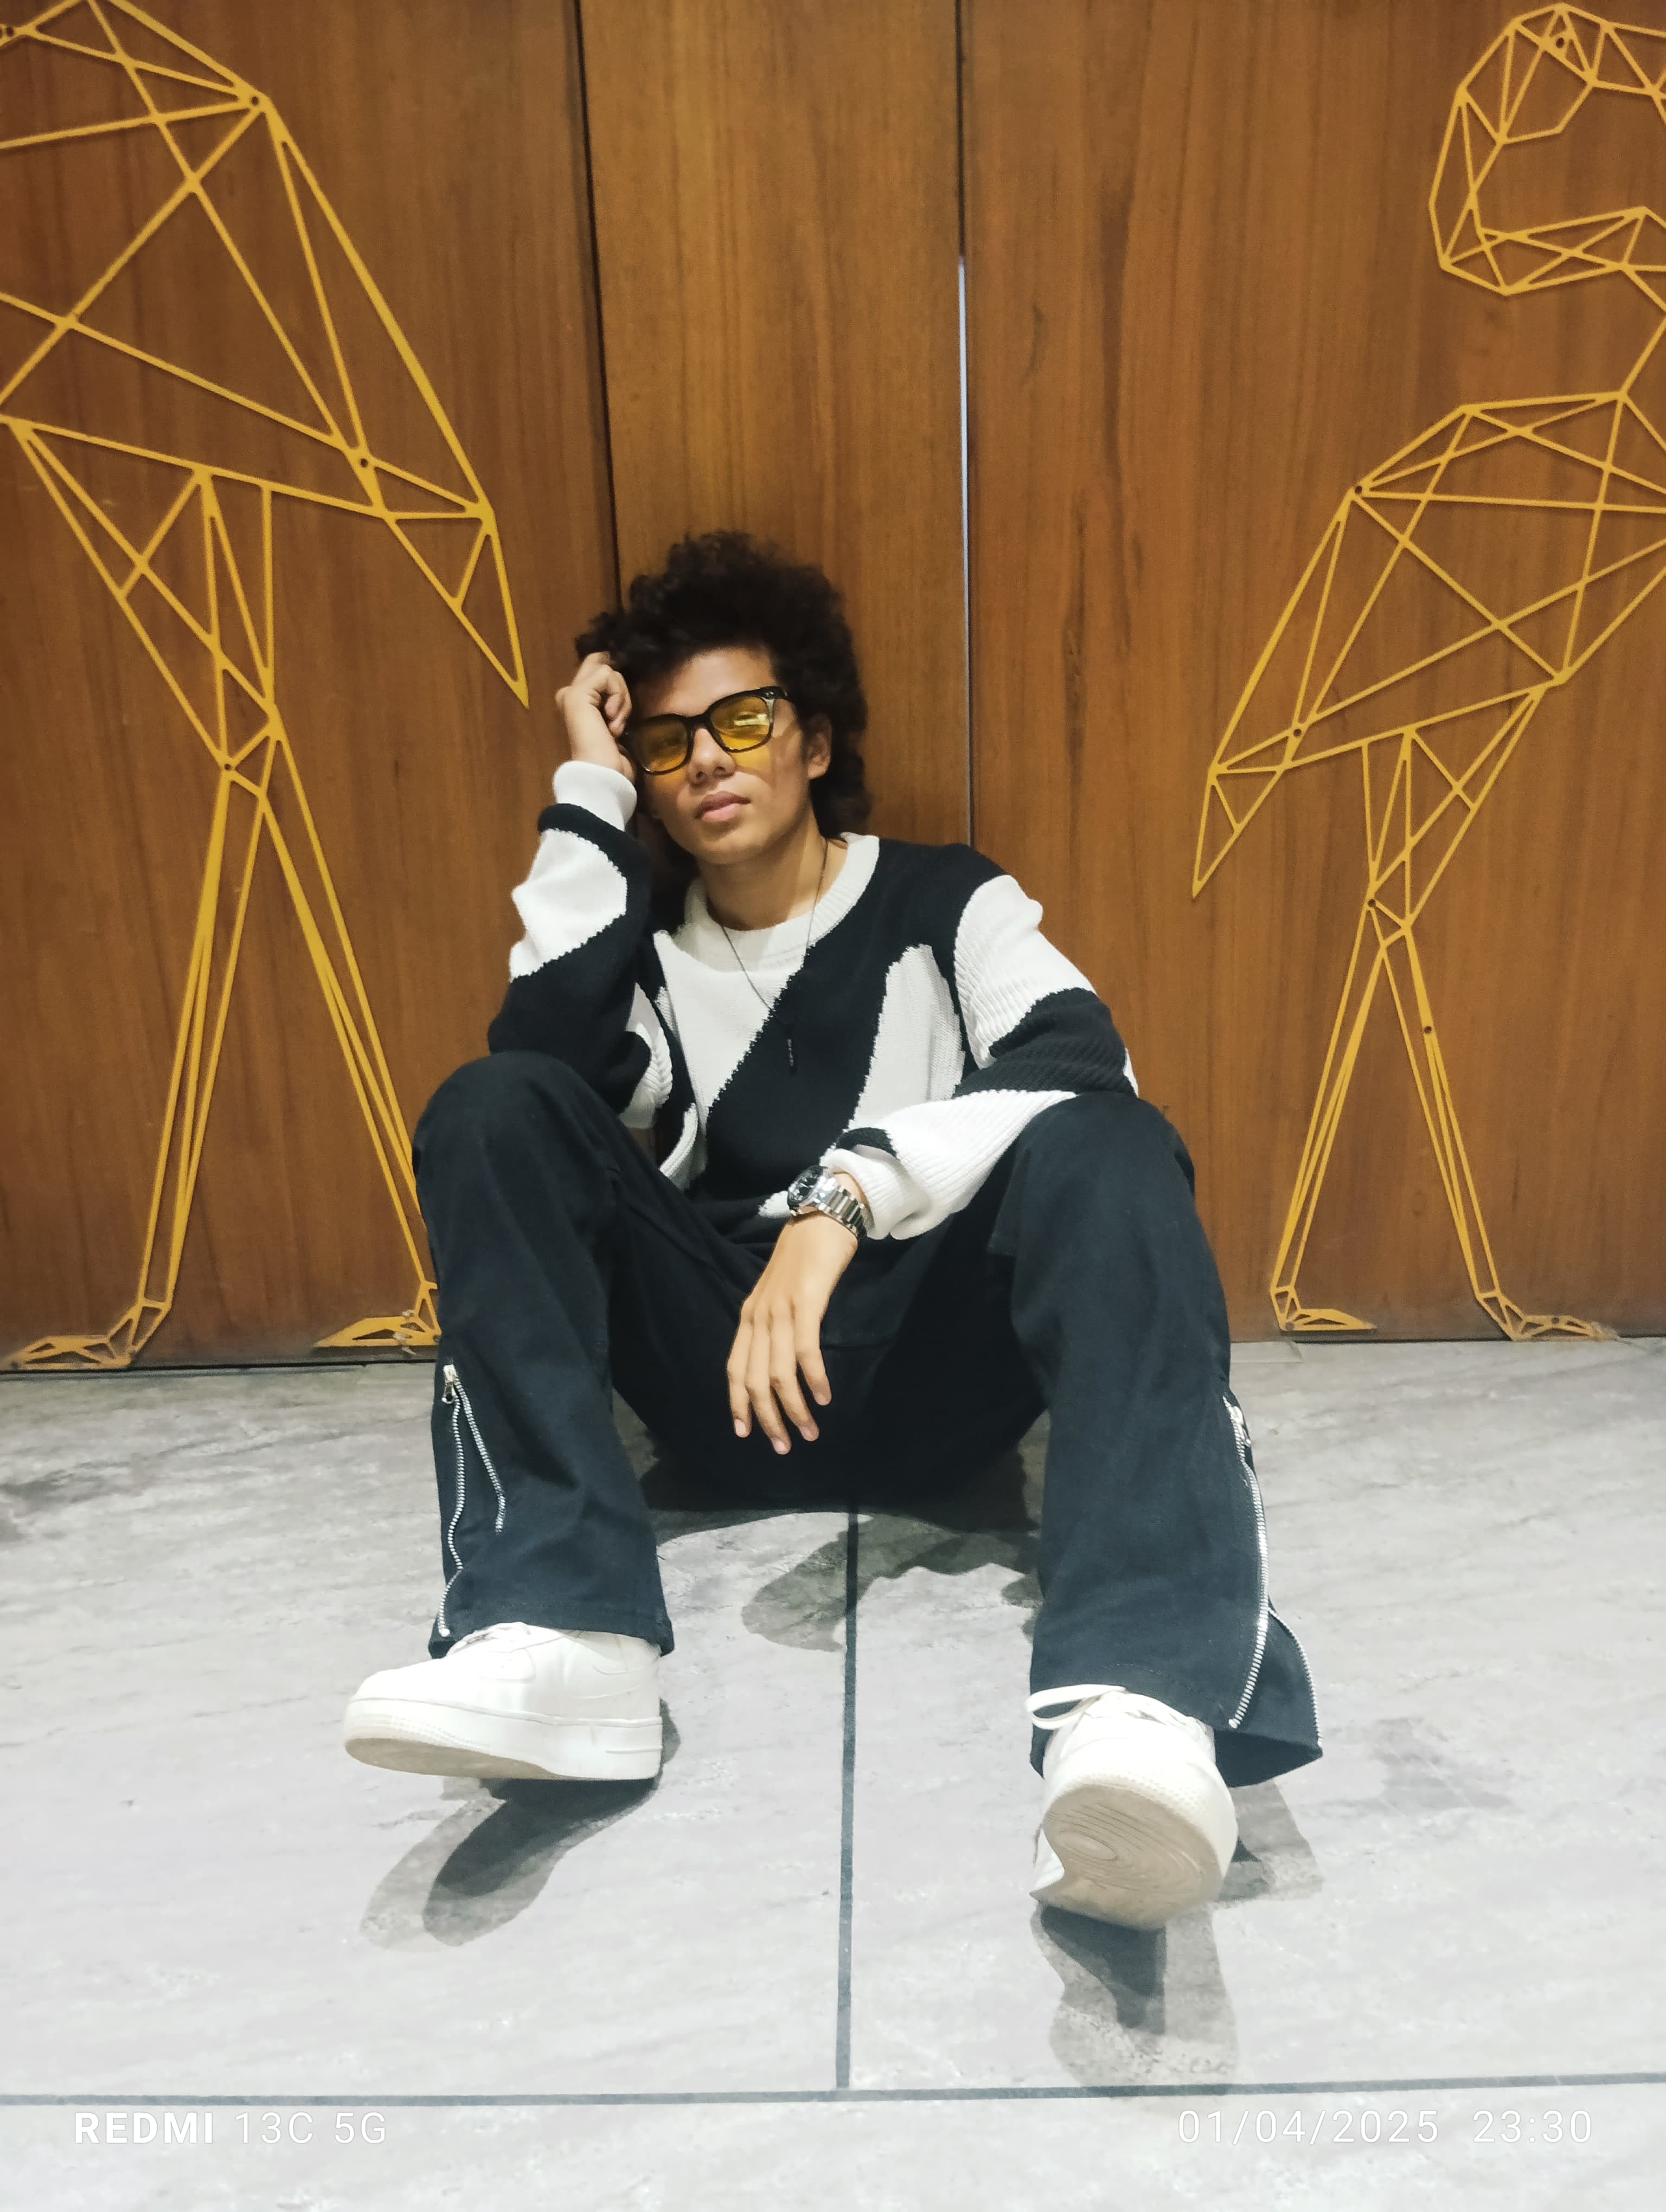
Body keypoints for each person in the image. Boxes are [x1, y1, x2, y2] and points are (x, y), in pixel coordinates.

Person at [342, 530, 1321, 1931]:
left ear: (812, 738)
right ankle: (562, 1628)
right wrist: (586, 782)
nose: (706, 760)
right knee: (492, 1106)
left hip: (932, 1369)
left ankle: (1142, 1701)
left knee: (1109, 1140)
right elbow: (535, 1073)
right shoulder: (639, 950)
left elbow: (1077, 1060)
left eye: (743, 720)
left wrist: (841, 1201)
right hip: (725, 1387)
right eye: (666, 742)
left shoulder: (945, 901)